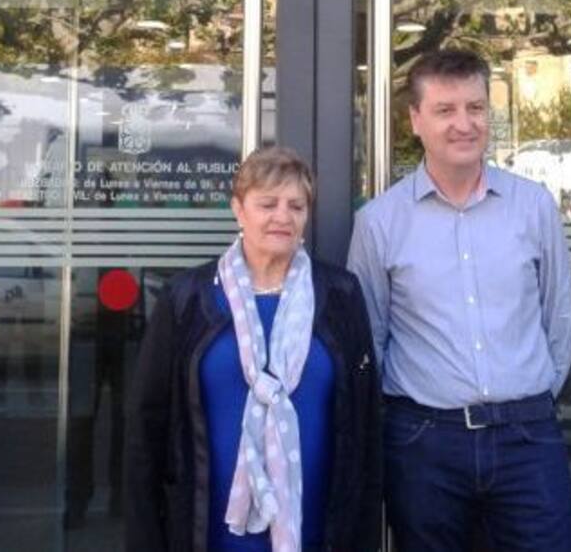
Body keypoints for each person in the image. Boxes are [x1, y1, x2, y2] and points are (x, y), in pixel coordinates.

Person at [348, 48, 571, 552]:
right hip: (425, 442)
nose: (464, 124)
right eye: (445, 110)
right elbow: (371, 334)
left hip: (527, 439)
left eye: (475, 108)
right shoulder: (379, 223)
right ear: (415, 120)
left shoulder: (533, 206)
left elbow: (559, 316)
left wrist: (535, 399)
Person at [126, 146, 381, 552]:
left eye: (296, 206)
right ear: (238, 209)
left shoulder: (339, 295)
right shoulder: (187, 299)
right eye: (268, 204)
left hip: (317, 532)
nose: (283, 216)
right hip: (208, 533)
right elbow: (147, 428)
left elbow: (365, 427)